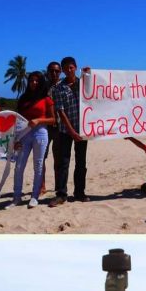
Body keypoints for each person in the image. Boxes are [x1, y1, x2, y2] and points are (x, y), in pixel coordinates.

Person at [11, 71, 55, 208]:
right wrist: (15, 138)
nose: (34, 83)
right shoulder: (23, 98)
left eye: (37, 81)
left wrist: (39, 120)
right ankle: (16, 197)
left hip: (40, 133)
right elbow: (17, 119)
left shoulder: (46, 99)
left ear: (41, 82)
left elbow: (53, 120)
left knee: (38, 165)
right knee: (19, 166)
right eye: (31, 80)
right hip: (23, 134)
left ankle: (34, 196)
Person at [49, 56, 89, 205]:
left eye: (71, 67)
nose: (68, 70)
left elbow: (98, 93)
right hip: (65, 131)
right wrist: (72, 131)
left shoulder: (84, 83)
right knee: (63, 162)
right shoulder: (58, 88)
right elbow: (60, 111)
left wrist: (91, 73)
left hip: (84, 130)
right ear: (63, 70)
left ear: (75, 67)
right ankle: (61, 194)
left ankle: (79, 193)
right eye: (65, 68)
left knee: (81, 163)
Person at [45, 61, 63, 195]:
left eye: (57, 71)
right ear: (47, 72)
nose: (54, 73)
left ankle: (58, 186)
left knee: (58, 159)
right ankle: (42, 185)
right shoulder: (42, 87)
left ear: (60, 71)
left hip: (59, 127)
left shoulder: (64, 86)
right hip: (44, 127)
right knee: (41, 158)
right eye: (51, 71)